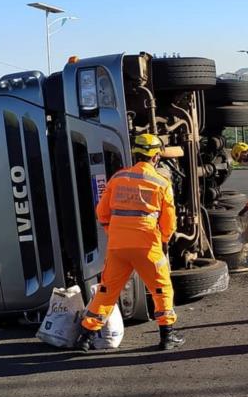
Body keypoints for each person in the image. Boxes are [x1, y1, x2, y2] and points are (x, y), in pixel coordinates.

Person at [76, 133, 184, 353]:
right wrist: (163, 240)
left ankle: (86, 336)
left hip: (117, 246)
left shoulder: (117, 178)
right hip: (147, 246)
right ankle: (167, 336)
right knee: (161, 289)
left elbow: (102, 212)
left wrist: (113, 232)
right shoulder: (161, 183)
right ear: (155, 157)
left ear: (136, 154)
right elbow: (169, 222)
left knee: (107, 291)